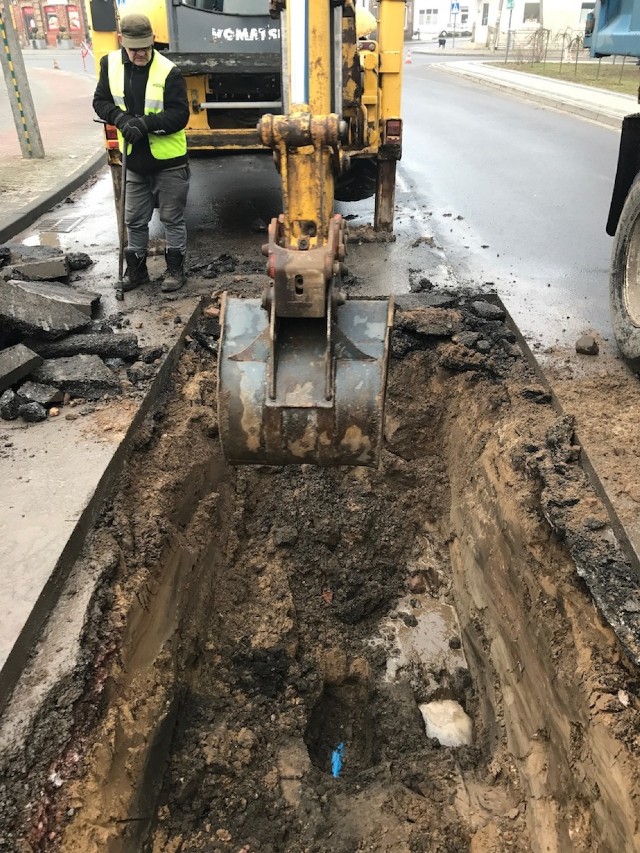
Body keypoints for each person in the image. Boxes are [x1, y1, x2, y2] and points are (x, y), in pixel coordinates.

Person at [92, 14, 190, 292]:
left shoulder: (169, 71)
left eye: (146, 47)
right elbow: (100, 101)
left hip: (169, 162)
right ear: (123, 43)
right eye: (135, 48)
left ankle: (175, 271)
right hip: (134, 160)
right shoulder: (109, 65)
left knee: (172, 219)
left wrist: (146, 124)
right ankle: (136, 273)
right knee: (133, 219)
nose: (141, 54)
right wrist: (121, 120)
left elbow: (180, 115)